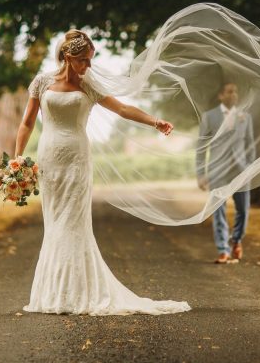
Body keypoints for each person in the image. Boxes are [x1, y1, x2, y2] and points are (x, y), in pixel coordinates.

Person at [14, 29, 191, 316]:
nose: (88, 66)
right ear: (68, 58)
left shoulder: (89, 84)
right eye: (84, 60)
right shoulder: (42, 82)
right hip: (50, 160)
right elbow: (27, 123)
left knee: (72, 223)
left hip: (77, 159)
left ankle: (78, 294)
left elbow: (121, 108)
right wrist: (19, 157)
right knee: (55, 222)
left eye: (90, 60)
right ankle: (55, 293)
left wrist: (154, 121)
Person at [196, 82, 255, 264]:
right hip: (217, 171)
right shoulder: (209, 117)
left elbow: (250, 145)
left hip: (240, 171)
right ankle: (223, 250)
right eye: (229, 92)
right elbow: (201, 148)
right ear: (221, 95)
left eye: (236, 92)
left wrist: (250, 168)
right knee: (218, 211)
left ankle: (236, 240)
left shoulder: (245, 117)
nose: (234, 95)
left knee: (243, 211)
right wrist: (200, 174)